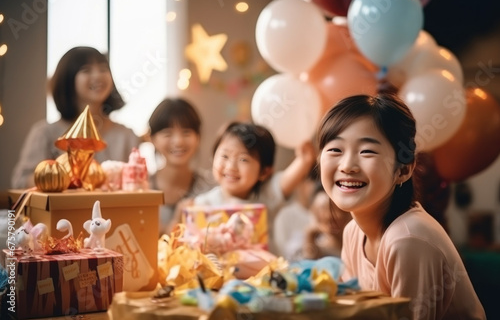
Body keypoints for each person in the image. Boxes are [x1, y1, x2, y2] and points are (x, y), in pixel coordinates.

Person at [317, 94, 485, 320]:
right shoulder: (353, 232)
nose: (347, 166)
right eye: (335, 150)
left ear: (403, 170)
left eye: (367, 151)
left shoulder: (408, 239)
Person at [11, 46, 140, 189]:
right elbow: (20, 183)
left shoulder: (126, 135)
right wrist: (60, 176)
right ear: (67, 80)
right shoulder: (45, 133)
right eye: (86, 70)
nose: (97, 76)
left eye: (103, 69)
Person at [186, 121, 316, 251]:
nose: (231, 167)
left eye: (243, 159)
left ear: (264, 172)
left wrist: (305, 159)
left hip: (263, 270)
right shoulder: (202, 204)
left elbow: (291, 176)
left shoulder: (266, 196)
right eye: (225, 156)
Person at [148, 97, 215, 235]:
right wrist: (176, 221)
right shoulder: (141, 189)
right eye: (168, 133)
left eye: (186, 133)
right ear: (152, 138)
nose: (178, 141)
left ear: (198, 137)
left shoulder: (211, 189)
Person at [302, 180, 351, 259]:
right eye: (321, 210)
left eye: (336, 210)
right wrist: (309, 237)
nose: (328, 216)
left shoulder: (358, 242)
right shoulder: (317, 246)